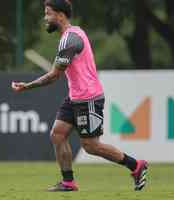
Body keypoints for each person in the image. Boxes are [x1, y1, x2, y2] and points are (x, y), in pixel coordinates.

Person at [11, 0, 148, 192]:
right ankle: (68, 182)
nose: (45, 18)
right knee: (57, 135)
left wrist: (27, 87)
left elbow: (54, 75)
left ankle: (136, 165)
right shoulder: (71, 35)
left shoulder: (70, 40)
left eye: (48, 13)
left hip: (89, 98)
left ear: (60, 15)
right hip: (75, 97)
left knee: (91, 146)